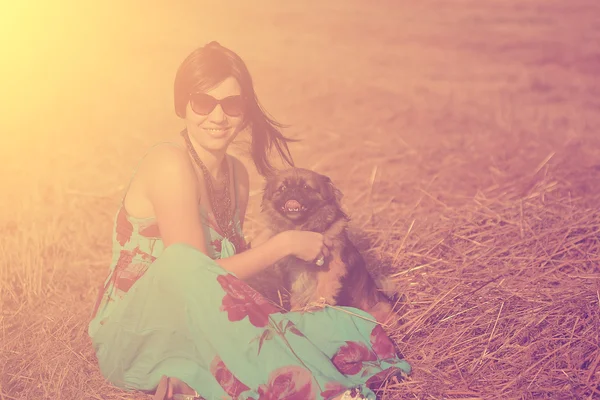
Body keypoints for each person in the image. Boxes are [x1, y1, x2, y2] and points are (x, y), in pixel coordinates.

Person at [88, 41, 411, 400]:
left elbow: (225, 281)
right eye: (203, 102)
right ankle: (318, 391)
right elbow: (194, 278)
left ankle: (202, 380)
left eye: (231, 104)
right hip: (143, 328)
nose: (217, 117)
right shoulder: (169, 163)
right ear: (183, 105)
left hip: (203, 323)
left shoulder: (237, 175)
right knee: (183, 262)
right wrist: (284, 245)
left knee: (348, 327)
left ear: (245, 109)